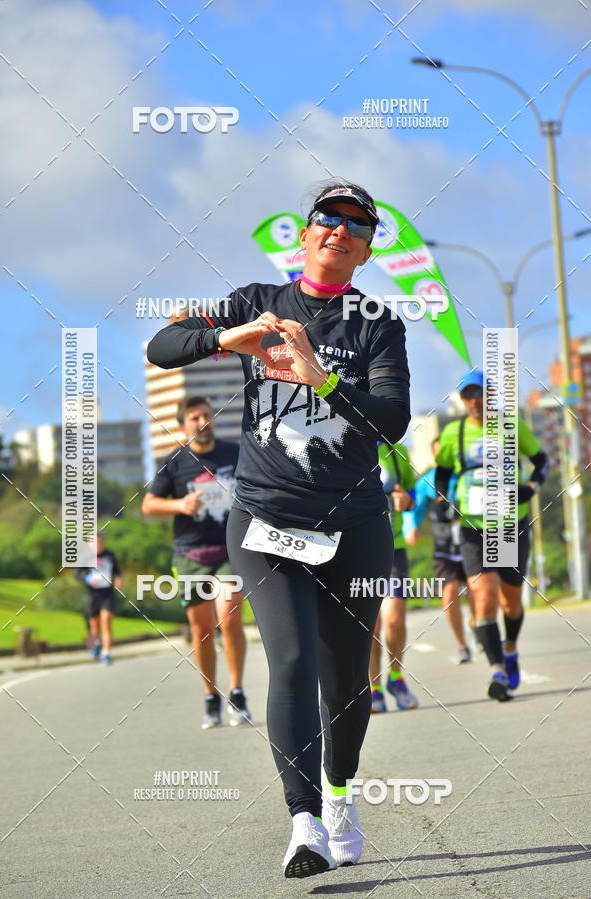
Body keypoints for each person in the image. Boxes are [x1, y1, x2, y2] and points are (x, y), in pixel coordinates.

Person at [147, 181, 410, 877]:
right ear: (305, 232)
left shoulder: (378, 321)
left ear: (367, 247)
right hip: (265, 514)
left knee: (348, 679)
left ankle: (340, 792)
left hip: (354, 520)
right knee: (290, 660)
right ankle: (304, 823)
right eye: (330, 218)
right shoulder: (255, 299)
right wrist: (224, 336)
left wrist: (322, 379)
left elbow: (392, 421)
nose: (341, 230)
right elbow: (163, 343)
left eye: (358, 225)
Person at [435, 369, 548, 702]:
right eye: (467, 395)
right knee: (483, 596)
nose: (473, 401)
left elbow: (541, 459)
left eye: (478, 393)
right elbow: (441, 473)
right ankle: (497, 669)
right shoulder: (453, 433)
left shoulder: (511, 427)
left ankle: (510, 647)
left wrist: (533, 486)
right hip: (472, 524)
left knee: (511, 602)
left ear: (490, 395)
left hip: (511, 522)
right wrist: (442, 498)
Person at [142, 395, 251, 729]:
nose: (203, 421)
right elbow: (148, 505)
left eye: (207, 414)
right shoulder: (174, 462)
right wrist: (180, 506)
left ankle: (237, 692)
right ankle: (210, 696)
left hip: (231, 550)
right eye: (194, 417)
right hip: (191, 554)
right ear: (182, 425)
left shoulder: (234, 453)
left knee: (229, 618)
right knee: (201, 630)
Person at [404, 436, 475, 664]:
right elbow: (414, 507)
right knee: (450, 594)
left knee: (478, 592)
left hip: (470, 543)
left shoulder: (467, 474)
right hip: (443, 546)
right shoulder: (427, 480)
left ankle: (478, 625)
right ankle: (462, 645)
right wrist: (411, 527)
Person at [370, 442, 419, 712]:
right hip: (358, 550)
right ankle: (373, 687)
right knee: (371, 626)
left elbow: (410, 490)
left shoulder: (396, 449)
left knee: (395, 619)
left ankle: (396, 677)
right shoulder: (341, 441)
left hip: (393, 546)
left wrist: (406, 500)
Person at [75, 530, 122, 665]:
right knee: (95, 627)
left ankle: (106, 654)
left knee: (106, 622)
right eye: (94, 542)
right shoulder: (85, 557)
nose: (97, 545)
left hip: (107, 594)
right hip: (92, 595)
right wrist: (88, 578)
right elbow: (77, 574)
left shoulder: (110, 555)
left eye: (100, 542)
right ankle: (96, 642)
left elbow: (118, 572)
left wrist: (119, 579)